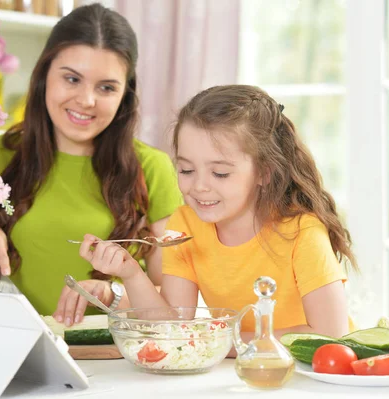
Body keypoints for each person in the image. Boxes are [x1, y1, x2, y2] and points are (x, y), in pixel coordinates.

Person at [0, 4, 182, 326]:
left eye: (106, 87)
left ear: (125, 94)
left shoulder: (152, 167)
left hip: (117, 356)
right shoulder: (5, 153)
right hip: (23, 349)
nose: (86, 100)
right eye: (72, 79)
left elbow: (175, 303)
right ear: (44, 75)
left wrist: (113, 293)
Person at [77, 85, 357, 339]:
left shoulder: (302, 232)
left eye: (220, 173)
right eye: (186, 170)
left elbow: (331, 333)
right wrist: (130, 274)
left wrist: (220, 341)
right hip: (240, 370)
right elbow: (173, 325)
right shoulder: (185, 224)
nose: (199, 187)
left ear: (264, 172)